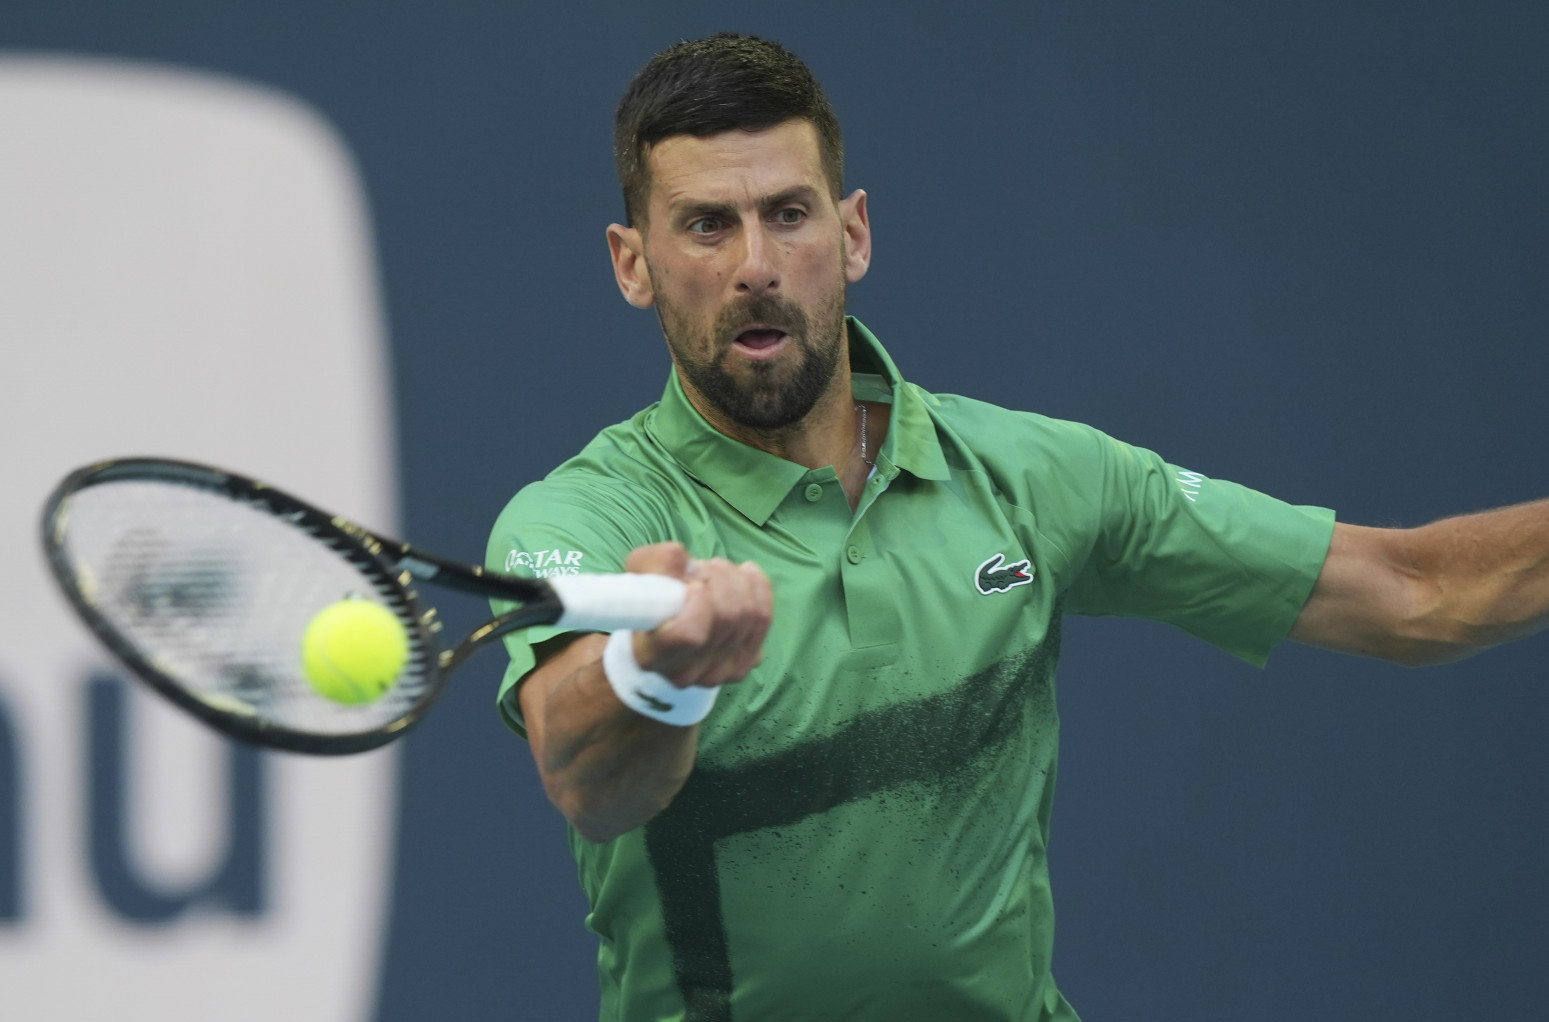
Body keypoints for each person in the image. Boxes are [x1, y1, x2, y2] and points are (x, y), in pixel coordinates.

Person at [486, 33, 1549, 1022]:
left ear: (852, 234)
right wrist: (660, 674)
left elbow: (1412, 592)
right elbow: (588, 781)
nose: (754, 262)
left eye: (789, 213)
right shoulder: (586, 515)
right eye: (707, 224)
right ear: (633, 262)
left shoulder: (1030, 478)